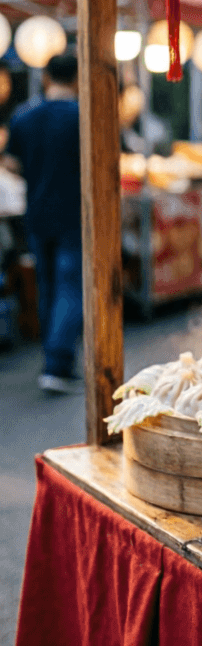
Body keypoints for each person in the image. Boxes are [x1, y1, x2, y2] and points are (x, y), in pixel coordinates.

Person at [3, 53, 83, 393]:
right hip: (76, 213)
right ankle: (58, 362)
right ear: (78, 78)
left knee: (49, 284)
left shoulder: (24, 117)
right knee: (71, 284)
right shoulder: (83, 115)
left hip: (37, 211)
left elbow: (10, 163)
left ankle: (54, 359)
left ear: (47, 77)